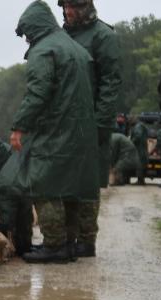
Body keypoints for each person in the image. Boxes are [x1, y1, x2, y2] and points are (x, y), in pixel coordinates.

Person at [10, 0, 100, 264]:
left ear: (35, 27)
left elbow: (37, 93)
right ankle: (70, 243)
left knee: (43, 183)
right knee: (71, 185)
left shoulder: (44, 50)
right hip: (82, 129)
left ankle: (54, 245)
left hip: (56, 128)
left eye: (27, 33)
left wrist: (19, 126)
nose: (26, 38)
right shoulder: (76, 48)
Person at [59, 0, 122, 258]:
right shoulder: (60, 36)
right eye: (63, 6)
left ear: (85, 8)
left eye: (72, 7)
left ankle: (86, 240)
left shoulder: (104, 36)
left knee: (87, 183)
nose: (67, 11)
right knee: (63, 180)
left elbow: (110, 83)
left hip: (91, 121)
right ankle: (66, 237)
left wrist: (99, 124)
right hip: (64, 123)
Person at [130, 118, 151, 185]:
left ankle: (140, 180)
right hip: (143, 147)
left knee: (139, 164)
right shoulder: (142, 126)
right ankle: (142, 180)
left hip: (139, 148)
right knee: (143, 164)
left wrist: (130, 142)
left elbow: (137, 136)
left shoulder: (137, 127)